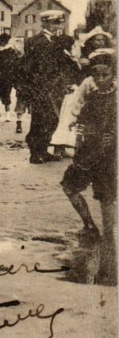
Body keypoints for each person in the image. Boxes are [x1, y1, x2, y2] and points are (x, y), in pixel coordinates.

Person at [60, 54, 116, 284]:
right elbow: (75, 113)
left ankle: (109, 235)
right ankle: (90, 225)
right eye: (96, 74)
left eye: (106, 74)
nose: (101, 78)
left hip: (110, 153)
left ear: (113, 73)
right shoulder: (89, 91)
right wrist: (77, 127)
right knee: (69, 186)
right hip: (88, 149)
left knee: (107, 196)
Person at [22, 12, 65, 163]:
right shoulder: (33, 41)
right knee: (39, 119)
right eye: (54, 23)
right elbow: (27, 67)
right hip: (39, 87)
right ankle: (35, 153)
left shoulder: (56, 42)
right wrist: (33, 87)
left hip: (54, 87)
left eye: (58, 23)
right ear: (45, 23)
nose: (57, 26)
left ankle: (44, 149)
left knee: (52, 119)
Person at [0, 33, 22, 126]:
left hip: (8, 75)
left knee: (7, 93)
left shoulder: (10, 50)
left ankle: (8, 114)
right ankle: (4, 114)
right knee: (2, 94)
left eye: (1, 41)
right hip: (1, 75)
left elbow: (13, 63)